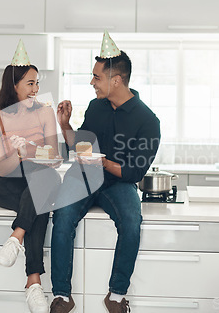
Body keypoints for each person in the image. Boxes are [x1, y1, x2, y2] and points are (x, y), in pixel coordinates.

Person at [49, 31, 161, 313]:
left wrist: (104, 163)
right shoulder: (95, 107)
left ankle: (117, 294)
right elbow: (82, 147)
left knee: (131, 222)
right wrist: (65, 126)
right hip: (83, 176)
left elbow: (134, 172)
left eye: (96, 77)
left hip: (118, 183)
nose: (92, 82)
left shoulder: (148, 120)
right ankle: (62, 295)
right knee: (62, 216)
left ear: (116, 80)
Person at [0, 40, 62, 313]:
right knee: (40, 200)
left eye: (37, 83)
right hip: (7, 185)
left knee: (46, 180)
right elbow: (1, 169)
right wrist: (18, 154)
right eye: (30, 83)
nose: (36, 89)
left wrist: (30, 149)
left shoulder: (44, 111)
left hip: (40, 178)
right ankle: (33, 284)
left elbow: (55, 158)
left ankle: (16, 241)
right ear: (13, 85)